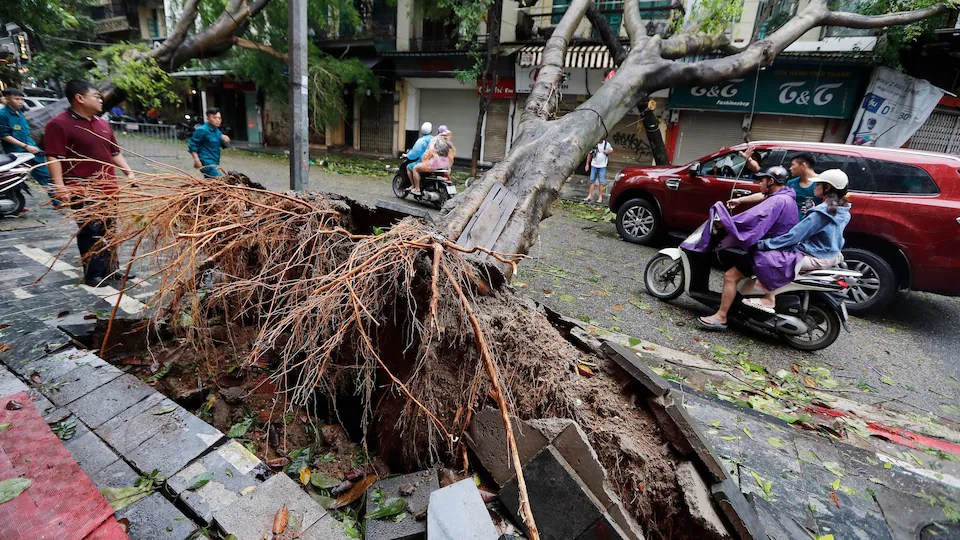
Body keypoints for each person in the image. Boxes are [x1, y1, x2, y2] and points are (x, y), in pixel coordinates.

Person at [44, 80, 137, 288]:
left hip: (109, 187)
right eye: (96, 95)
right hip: (82, 188)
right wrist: (60, 186)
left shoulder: (102, 123)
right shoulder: (58, 124)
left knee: (110, 228)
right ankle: (93, 274)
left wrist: (129, 173)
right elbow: (54, 157)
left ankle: (112, 269)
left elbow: (115, 153)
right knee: (90, 231)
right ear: (80, 98)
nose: (100, 99)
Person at [684, 166, 798, 330]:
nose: (759, 183)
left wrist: (726, 222)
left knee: (730, 276)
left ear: (771, 181)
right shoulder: (788, 199)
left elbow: (751, 219)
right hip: (777, 250)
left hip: (767, 253)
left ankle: (721, 316)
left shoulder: (776, 201)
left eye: (762, 180)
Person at [741, 169, 852, 313]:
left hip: (816, 254)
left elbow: (793, 237)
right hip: (831, 253)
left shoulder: (820, 212)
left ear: (827, 188)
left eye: (818, 184)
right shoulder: (841, 208)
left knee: (766, 257)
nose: (815, 187)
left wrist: (762, 244)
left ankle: (769, 299)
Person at [0, 88, 54, 210]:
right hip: (17, 154)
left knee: (45, 175)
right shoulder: (3, 115)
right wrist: (25, 146)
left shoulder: (20, 113)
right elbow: (4, 135)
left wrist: (31, 145)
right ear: (7, 99)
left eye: (22, 99)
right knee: (15, 180)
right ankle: (16, 203)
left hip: (32, 151)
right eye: (17, 99)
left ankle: (57, 202)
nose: (20, 102)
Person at [730, 152, 820, 219]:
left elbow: (831, 210)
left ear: (803, 165)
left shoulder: (823, 184)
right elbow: (768, 195)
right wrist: (740, 200)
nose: (790, 168)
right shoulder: (791, 183)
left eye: (793, 165)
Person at [188, 107, 230, 179]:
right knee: (220, 180)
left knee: (211, 183)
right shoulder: (202, 130)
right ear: (208, 118)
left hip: (215, 162)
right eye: (214, 118)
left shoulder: (217, 131)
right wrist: (196, 160)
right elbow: (192, 145)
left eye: (219, 118)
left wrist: (226, 140)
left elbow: (224, 145)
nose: (217, 120)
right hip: (206, 163)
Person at [405, 122, 433, 194]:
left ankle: (415, 187)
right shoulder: (434, 139)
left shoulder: (421, 140)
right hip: (434, 162)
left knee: (409, 167)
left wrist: (408, 155)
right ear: (431, 130)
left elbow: (415, 152)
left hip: (424, 162)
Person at [584, 138, 613, 203]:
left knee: (601, 182)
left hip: (602, 166)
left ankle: (600, 197)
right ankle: (589, 196)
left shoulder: (606, 144)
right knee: (592, 181)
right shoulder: (594, 144)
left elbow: (611, 150)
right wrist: (587, 164)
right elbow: (589, 154)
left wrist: (607, 152)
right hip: (594, 165)